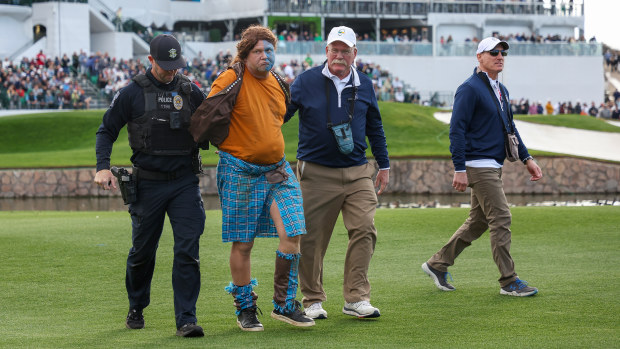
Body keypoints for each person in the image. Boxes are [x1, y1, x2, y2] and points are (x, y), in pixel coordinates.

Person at [193, 25, 314, 331]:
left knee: (293, 233)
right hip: (240, 171)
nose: (265, 56)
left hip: (278, 170)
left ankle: (284, 305)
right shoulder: (231, 78)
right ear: (245, 55)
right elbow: (208, 115)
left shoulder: (277, 81)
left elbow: (278, 117)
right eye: (258, 51)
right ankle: (245, 308)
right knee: (243, 244)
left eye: (269, 50)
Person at [93, 34, 207, 337]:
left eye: (175, 66)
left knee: (187, 251)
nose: (171, 71)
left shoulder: (191, 91)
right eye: (165, 66)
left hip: (184, 182)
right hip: (148, 184)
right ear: (150, 61)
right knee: (142, 252)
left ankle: (186, 319)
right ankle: (137, 305)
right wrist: (102, 168)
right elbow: (106, 131)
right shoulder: (131, 93)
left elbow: (214, 124)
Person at [421, 37, 543, 297]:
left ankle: (437, 264)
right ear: (479, 57)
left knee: (478, 221)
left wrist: (527, 158)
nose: (500, 56)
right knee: (501, 217)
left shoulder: (501, 90)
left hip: (494, 164)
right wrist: (459, 168)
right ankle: (509, 281)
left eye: (503, 53)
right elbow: (457, 130)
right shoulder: (469, 88)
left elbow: (510, 129)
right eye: (494, 52)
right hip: (478, 165)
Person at [285, 26, 390, 319]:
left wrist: (384, 164)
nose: (339, 55)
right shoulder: (306, 81)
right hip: (316, 172)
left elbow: (375, 128)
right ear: (326, 51)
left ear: (354, 54)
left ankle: (356, 298)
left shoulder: (365, 84)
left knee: (365, 228)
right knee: (312, 239)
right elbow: (280, 116)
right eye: (335, 49)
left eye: (345, 50)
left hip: (358, 171)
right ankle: (312, 300)